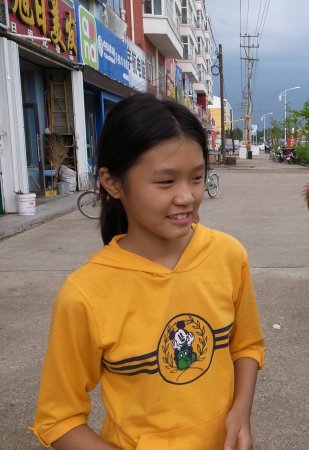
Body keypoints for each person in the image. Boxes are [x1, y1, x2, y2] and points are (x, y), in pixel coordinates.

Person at [30, 94, 265, 450]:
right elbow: (58, 419)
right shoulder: (85, 294)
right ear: (113, 183)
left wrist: (240, 411)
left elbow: (246, 345)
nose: (186, 196)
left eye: (197, 177)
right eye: (166, 182)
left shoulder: (228, 255)